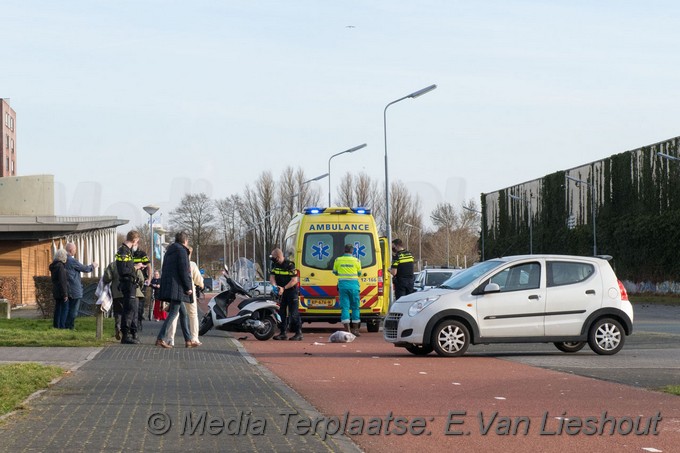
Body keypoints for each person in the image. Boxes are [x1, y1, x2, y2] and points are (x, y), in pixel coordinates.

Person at [156, 231, 199, 349]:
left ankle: (188, 340)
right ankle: (161, 338)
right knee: (174, 313)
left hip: (170, 286)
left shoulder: (169, 251)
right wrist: (187, 287)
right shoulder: (182, 251)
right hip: (177, 288)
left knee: (183, 313)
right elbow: (184, 271)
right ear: (185, 241)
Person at [163, 246, 203, 346]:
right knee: (193, 314)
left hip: (177, 292)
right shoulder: (192, 264)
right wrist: (201, 285)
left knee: (175, 314)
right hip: (190, 292)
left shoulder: (175, 264)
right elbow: (198, 280)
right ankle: (194, 338)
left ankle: (170, 339)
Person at [115, 230, 144, 344]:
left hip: (130, 283)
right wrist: (136, 267)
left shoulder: (127, 251)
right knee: (129, 310)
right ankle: (125, 335)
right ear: (135, 240)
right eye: (137, 241)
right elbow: (123, 269)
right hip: (127, 283)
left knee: (131, 309)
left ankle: (129, 334)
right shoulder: (123, 251)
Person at [270, 248, 303, 341]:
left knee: (294, 313)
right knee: (281, 313)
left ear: (279, 257)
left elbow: (294, 280)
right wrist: (274, 286)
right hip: (280, 292)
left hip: (291, 291)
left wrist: (284, 288)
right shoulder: (274, 265)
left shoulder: (290, 265)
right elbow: (272, 277)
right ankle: (283, 333)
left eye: (274, 257)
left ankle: (298, 333)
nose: (273, 260)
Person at [64, 242, 98, 330]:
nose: (75, 251)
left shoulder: (63, 260)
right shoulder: (72, 260)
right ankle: (70, 327)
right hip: (74, 289)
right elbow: (85, 269)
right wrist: (93, 266)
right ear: (71, 250)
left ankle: (64, 326)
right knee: (74, 310)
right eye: (75, 250)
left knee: (67, 309)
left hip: (66, 288)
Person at [332, 243, 362, 336]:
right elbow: (359, 273)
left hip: (343, 286)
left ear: (344, 250)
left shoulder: (338, 260)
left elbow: (335, 272)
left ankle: (347, 330)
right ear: (352, 250)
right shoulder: (357, 261)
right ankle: (356, 330)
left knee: (345, 307)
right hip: (354, 287)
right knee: (355, 307)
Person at [49, 249, 69, 329]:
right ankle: (62, 326)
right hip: (61, 291)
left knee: (58, 308)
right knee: (64, 308)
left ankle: (56, 325)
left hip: (56, 289)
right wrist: (65, 294)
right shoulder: (60, 266)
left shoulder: (54, 266)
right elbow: (62, 281)